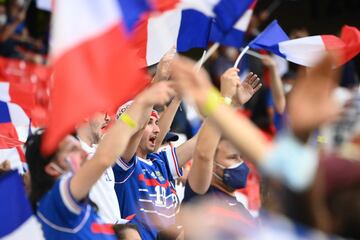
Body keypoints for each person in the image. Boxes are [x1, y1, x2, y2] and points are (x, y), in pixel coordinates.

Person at [25, 81, 175, 239]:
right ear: (52, 169)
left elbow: (129, 132)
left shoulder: (84, 207)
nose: (83, 152)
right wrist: (143, 101)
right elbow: (104, 157)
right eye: (72, 150)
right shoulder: (56, 200)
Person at [76, 112, 122, 224]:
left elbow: (135, 127)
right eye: (103, 112)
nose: (107, 118)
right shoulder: (73, 153)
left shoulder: (99, 150)